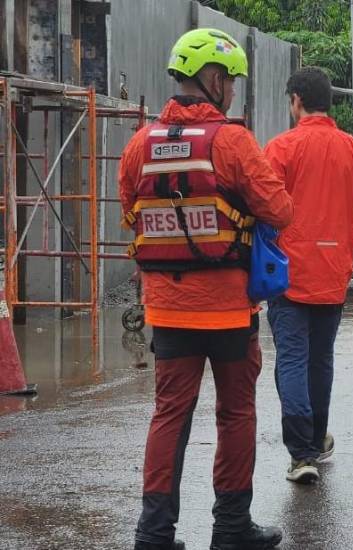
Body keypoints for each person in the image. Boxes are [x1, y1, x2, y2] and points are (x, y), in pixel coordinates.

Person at [119, 29, 293, 550]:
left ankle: (153, 534)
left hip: (168, 309)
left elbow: (131, 210)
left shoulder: (139, 144)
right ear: (213, 80)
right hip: (228, 309)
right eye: (232, 81)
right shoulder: (232, 141)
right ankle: (231, 528)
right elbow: (279, 209)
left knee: (169, 413)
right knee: (236, 412)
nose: (234, 91)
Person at [263, 67, 353, 484]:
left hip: (287, 276)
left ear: (296, 100)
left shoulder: (280, 149)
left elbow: (262, 210)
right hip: (334, 278)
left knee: (292, 360)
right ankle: (315, 439)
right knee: (320, 361)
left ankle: (302, 453)